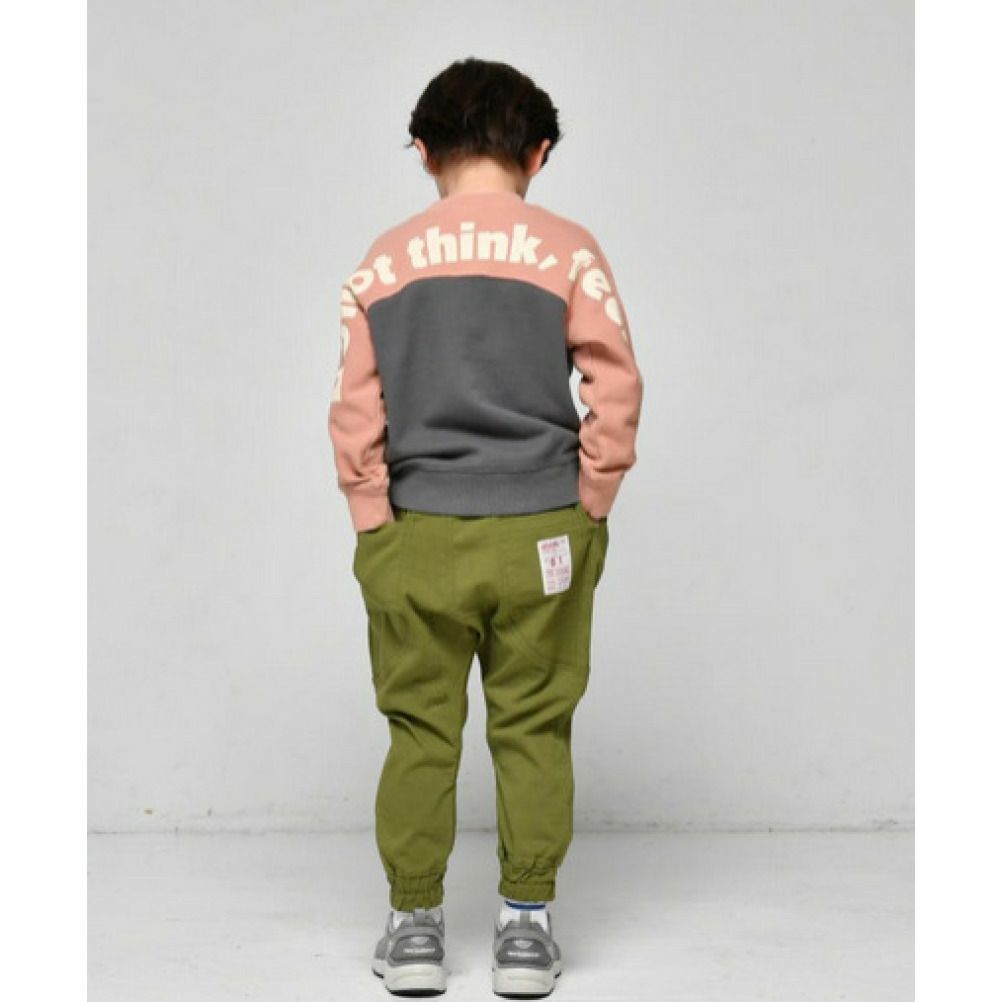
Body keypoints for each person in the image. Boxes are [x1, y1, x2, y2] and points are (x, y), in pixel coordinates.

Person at [328, 57, 644, 997]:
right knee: (535, 726)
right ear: (538, 153)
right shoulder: (571, 251)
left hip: (418, 533)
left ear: (424, 152)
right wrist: (591, 499)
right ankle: (527, 930)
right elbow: (617, 383)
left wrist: (372, 519)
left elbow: (355, 408)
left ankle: (415, 929)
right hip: (543, 527)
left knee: (420, 729)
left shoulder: (384, 261)